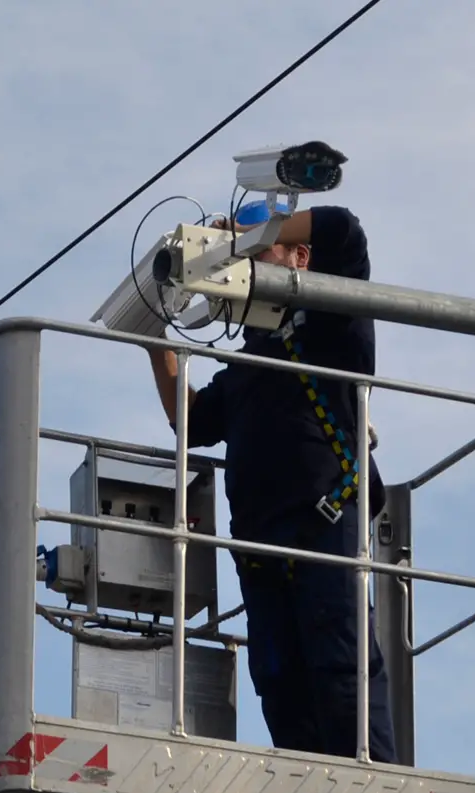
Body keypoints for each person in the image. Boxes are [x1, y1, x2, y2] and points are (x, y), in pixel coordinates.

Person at [145, 202, 397, 763]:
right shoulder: (249, 363)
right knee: (281, 683)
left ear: (299, 258)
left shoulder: (334, 320)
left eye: (257, 254)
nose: (239, 268)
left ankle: (375, 781)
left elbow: (343, 227)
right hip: (260, 550)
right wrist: (153, 337)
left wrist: (242, 233)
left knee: (341, 672)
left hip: (324, 528)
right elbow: (189, 421)